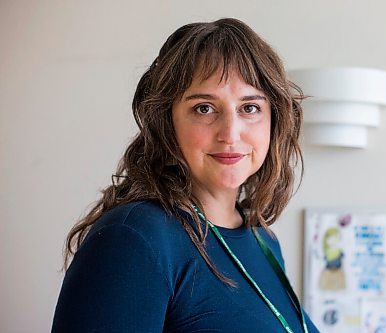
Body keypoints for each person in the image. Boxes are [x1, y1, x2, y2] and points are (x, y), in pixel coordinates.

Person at [52, 18, 320, 333]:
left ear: (273, 119)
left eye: (250, 108)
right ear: (167, 122)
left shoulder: (262, 240)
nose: (230, 134)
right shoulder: (135, 238)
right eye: (204, 108)